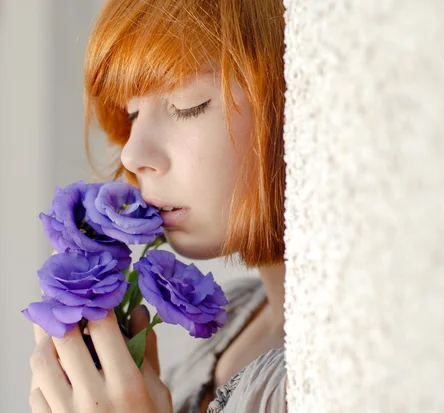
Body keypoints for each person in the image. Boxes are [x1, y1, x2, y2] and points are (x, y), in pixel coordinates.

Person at [28, 0, 288, 412]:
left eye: (187, 105)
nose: (130, 155)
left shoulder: (339, 363)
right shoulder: (235, 316)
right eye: (132, 114)